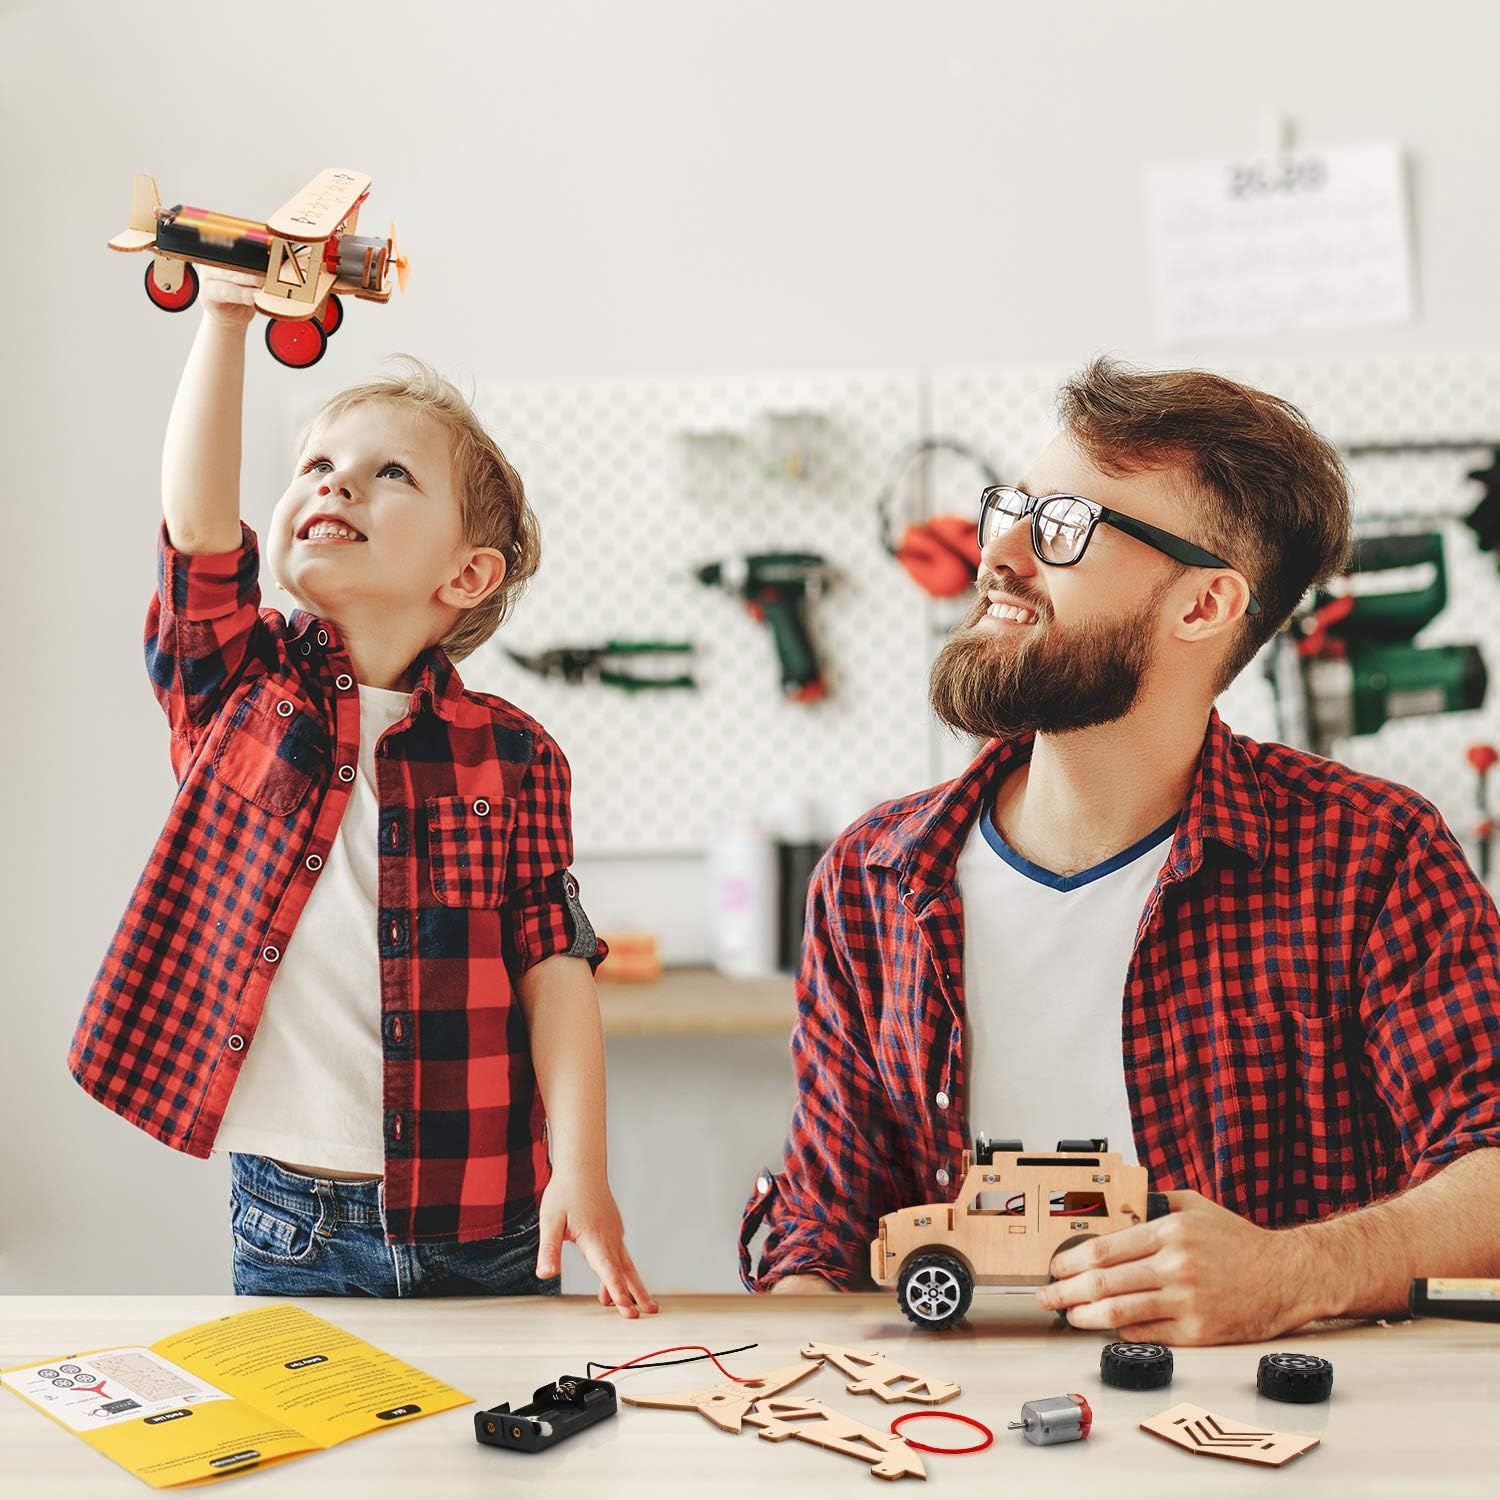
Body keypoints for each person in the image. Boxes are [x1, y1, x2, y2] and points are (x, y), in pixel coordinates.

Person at [740, 357, 1500, 1344]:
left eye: (1062, 527)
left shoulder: (1371, 856)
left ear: (1203, 607)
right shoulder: (873, 876)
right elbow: (826, 1227)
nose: (998, 550)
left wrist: (1292, 1270)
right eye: (1012, 507)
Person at [70, 268, 656, 1313]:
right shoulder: (237, 688)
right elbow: (198, 530)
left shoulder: (517, 757)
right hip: (289, 1218)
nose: (334, 485)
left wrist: (586, 1168)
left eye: (389, 473)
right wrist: (227, 322)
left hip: (491, 1219)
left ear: (467, 576)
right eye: (316, 465)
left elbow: (554, 968)